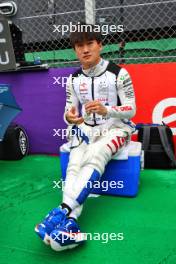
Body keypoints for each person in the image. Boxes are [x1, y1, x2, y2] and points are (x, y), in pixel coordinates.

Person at [35, 23, 136, 251]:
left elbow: (131, 109)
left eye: (90, 43)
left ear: (100, 45)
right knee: (73, 163)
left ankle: (61, 210)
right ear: (75, 50)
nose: (85, 50)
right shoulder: (73, 79)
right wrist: (70, 119)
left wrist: (106, 110)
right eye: (79, 46)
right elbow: (69, 111)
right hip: (86, 129)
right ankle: (71, 224)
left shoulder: (119, 73)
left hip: (117, 128)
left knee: (95, 154)